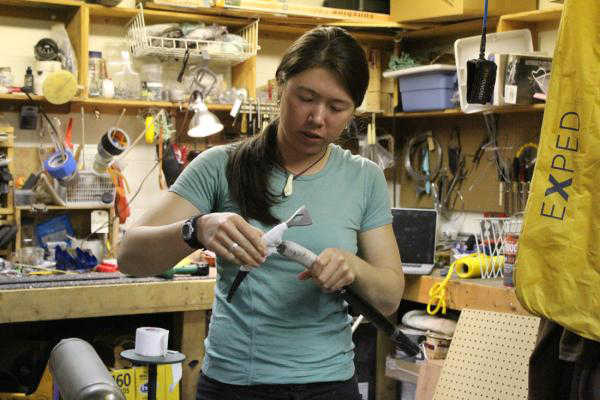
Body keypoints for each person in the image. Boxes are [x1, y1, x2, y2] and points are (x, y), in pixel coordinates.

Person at [118, 26, 404, 400]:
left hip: (329, 385)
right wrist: (196, 229)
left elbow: (389, 296)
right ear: (279, 86)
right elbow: (129, 255)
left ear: (353, 112)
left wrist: (353, 268)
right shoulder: (220, 166)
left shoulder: (364, 178)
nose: (317, 117)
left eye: (336, 108)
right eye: (305, 97)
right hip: (236, 385)